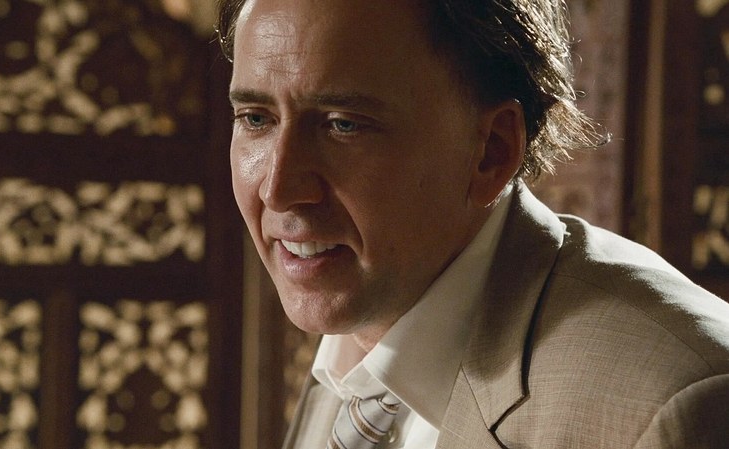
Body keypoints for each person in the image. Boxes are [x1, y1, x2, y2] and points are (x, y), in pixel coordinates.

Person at [218, 0, 729, 447]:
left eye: (343, 125)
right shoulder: (362, 322)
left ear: (491, 151)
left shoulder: (669, 406)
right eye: (256, 118)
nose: (278, 190)